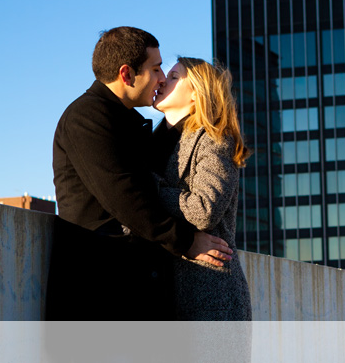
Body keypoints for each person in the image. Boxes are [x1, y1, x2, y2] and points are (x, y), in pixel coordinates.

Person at [48, 27, 233, 320]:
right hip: (98, 294)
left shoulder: (130, 123)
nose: (161, 78)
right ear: (126, 74)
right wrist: (187, 242)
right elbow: (127, 198)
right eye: (156, 68)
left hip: (134, 291)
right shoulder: (87, 118)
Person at [152, 56, 252, 320]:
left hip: (209, 295)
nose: (162, 80)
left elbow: (203, 210)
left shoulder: (215, 139)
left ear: (196, 93)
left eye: (174, 77)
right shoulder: (151, 142)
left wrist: (148, 189)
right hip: (161, 294)